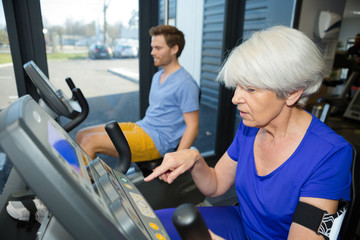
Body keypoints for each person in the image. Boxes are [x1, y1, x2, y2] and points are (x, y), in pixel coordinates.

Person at [144, 26, 353, 239]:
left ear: (292, 93)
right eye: (238, 86)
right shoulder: (251, 126)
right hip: (241, 222)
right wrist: (195, 158)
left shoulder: (329, 154)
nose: (235, 98)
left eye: (251, 89)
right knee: (151, 224)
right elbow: (215, 186)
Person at [76, 25, 200, 162]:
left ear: (174, 49)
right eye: (153, 47)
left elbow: (192, 126)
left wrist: (176, 160)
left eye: (158, 48)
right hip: (142, 126)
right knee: (82, 134)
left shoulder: (186, 83)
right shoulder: (158, 76)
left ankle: (78, 183)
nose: (152, 52)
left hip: (157, 140)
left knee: (90, 141)